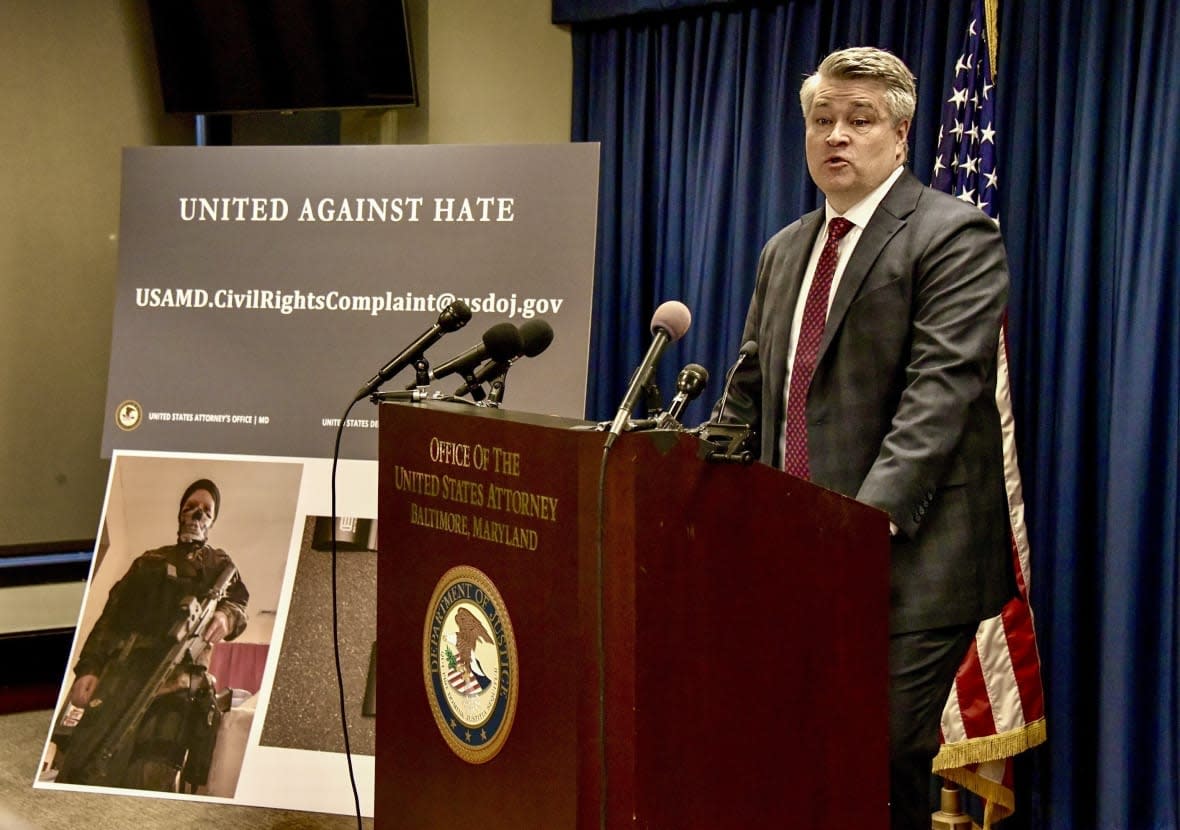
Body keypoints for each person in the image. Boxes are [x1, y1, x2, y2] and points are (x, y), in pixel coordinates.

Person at [716, 47, 1016, 828]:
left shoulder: (954, 235)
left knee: (876, 746)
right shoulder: (785, 249)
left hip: (912, 555)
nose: (837, 137)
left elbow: (939, 396)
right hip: (798, 551)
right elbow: (751, 390)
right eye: (822, 121)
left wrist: (854, 529)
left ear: (901, 136)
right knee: (801, 745)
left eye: (859, 120)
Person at [54, 478, 249, 792]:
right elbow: (110, 617)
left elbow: (239, 602)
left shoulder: (220, 564)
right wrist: (88, 668)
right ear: (180, 513)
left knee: (150, 773)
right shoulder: (148, 560)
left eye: (206, 510)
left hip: (178, 682)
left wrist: (227, 616)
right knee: (84, 760)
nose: (197, 514)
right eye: (191, 507)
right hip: (122, 673)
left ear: (212, 521)